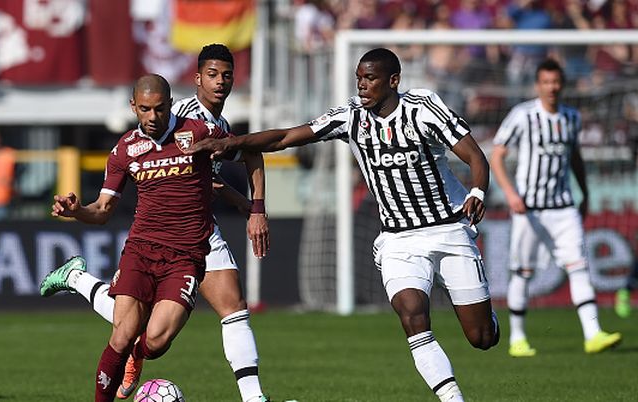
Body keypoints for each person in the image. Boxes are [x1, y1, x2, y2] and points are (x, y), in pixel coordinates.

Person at [189, 47, 500, 402]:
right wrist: (233, 143)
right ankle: (453, 399)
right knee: (412, 313)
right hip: (398, 238)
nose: (362, 86)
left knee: (481, 338)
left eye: (370, 79)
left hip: (448, 227)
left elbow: (475, 155)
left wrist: (477, 189)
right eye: (359, 79)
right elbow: (287, 137)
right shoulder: (352, 116)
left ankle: (489, 321)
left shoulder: (424, 108)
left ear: (393, 81)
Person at [40, 45, 270, 402]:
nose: (152, 116)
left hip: (190, 243)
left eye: (159, 108)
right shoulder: (133, 143)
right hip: (146, 245)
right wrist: (77, 211)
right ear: (134, 106)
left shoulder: (202, 131)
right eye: (144, 109)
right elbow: (104, 209)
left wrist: (251, 206)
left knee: (164, 335)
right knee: (126, 328)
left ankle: (85, 287)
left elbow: (241, 155)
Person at [489, 58, 622, 357]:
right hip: (529, 208)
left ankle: (593, 334)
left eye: (556, 82)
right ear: (538, 85)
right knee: (522, 272)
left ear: (563, 84)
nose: (552, 87)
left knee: (579, 267)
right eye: (546, 82)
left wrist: (584, 193)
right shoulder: (522, 115)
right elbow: (497, 156)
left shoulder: (572, 117)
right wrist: (510, 193)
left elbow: (575, 159)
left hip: (563, 207)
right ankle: (517, 340)